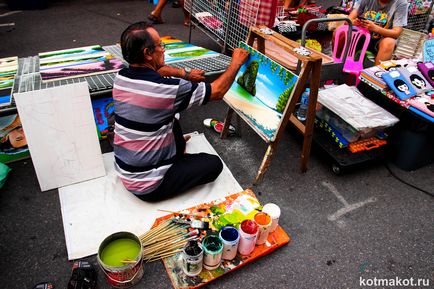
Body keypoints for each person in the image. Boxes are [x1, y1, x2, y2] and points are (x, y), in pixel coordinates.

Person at [113, 21, 249, 201]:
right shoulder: (166, 89)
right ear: (147, 53)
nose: (163, 49)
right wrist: (235, 63)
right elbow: (216, 91)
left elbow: (159, 70)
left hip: (127, 169)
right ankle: (173, 160)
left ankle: (173, 149)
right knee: (213, 164)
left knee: (172, 118)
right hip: (149, 185)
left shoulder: (121, 76)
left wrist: (185, 74)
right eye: (160, 45)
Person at [348, 0, 408, 65]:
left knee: (389, 42)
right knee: (342, 31)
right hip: (361, 36)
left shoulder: (401, 3)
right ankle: (337, 65)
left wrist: (376, 29)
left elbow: (396, 33)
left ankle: (376, 73)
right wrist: (354, 22)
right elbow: (348, 21)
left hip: (381, 41)